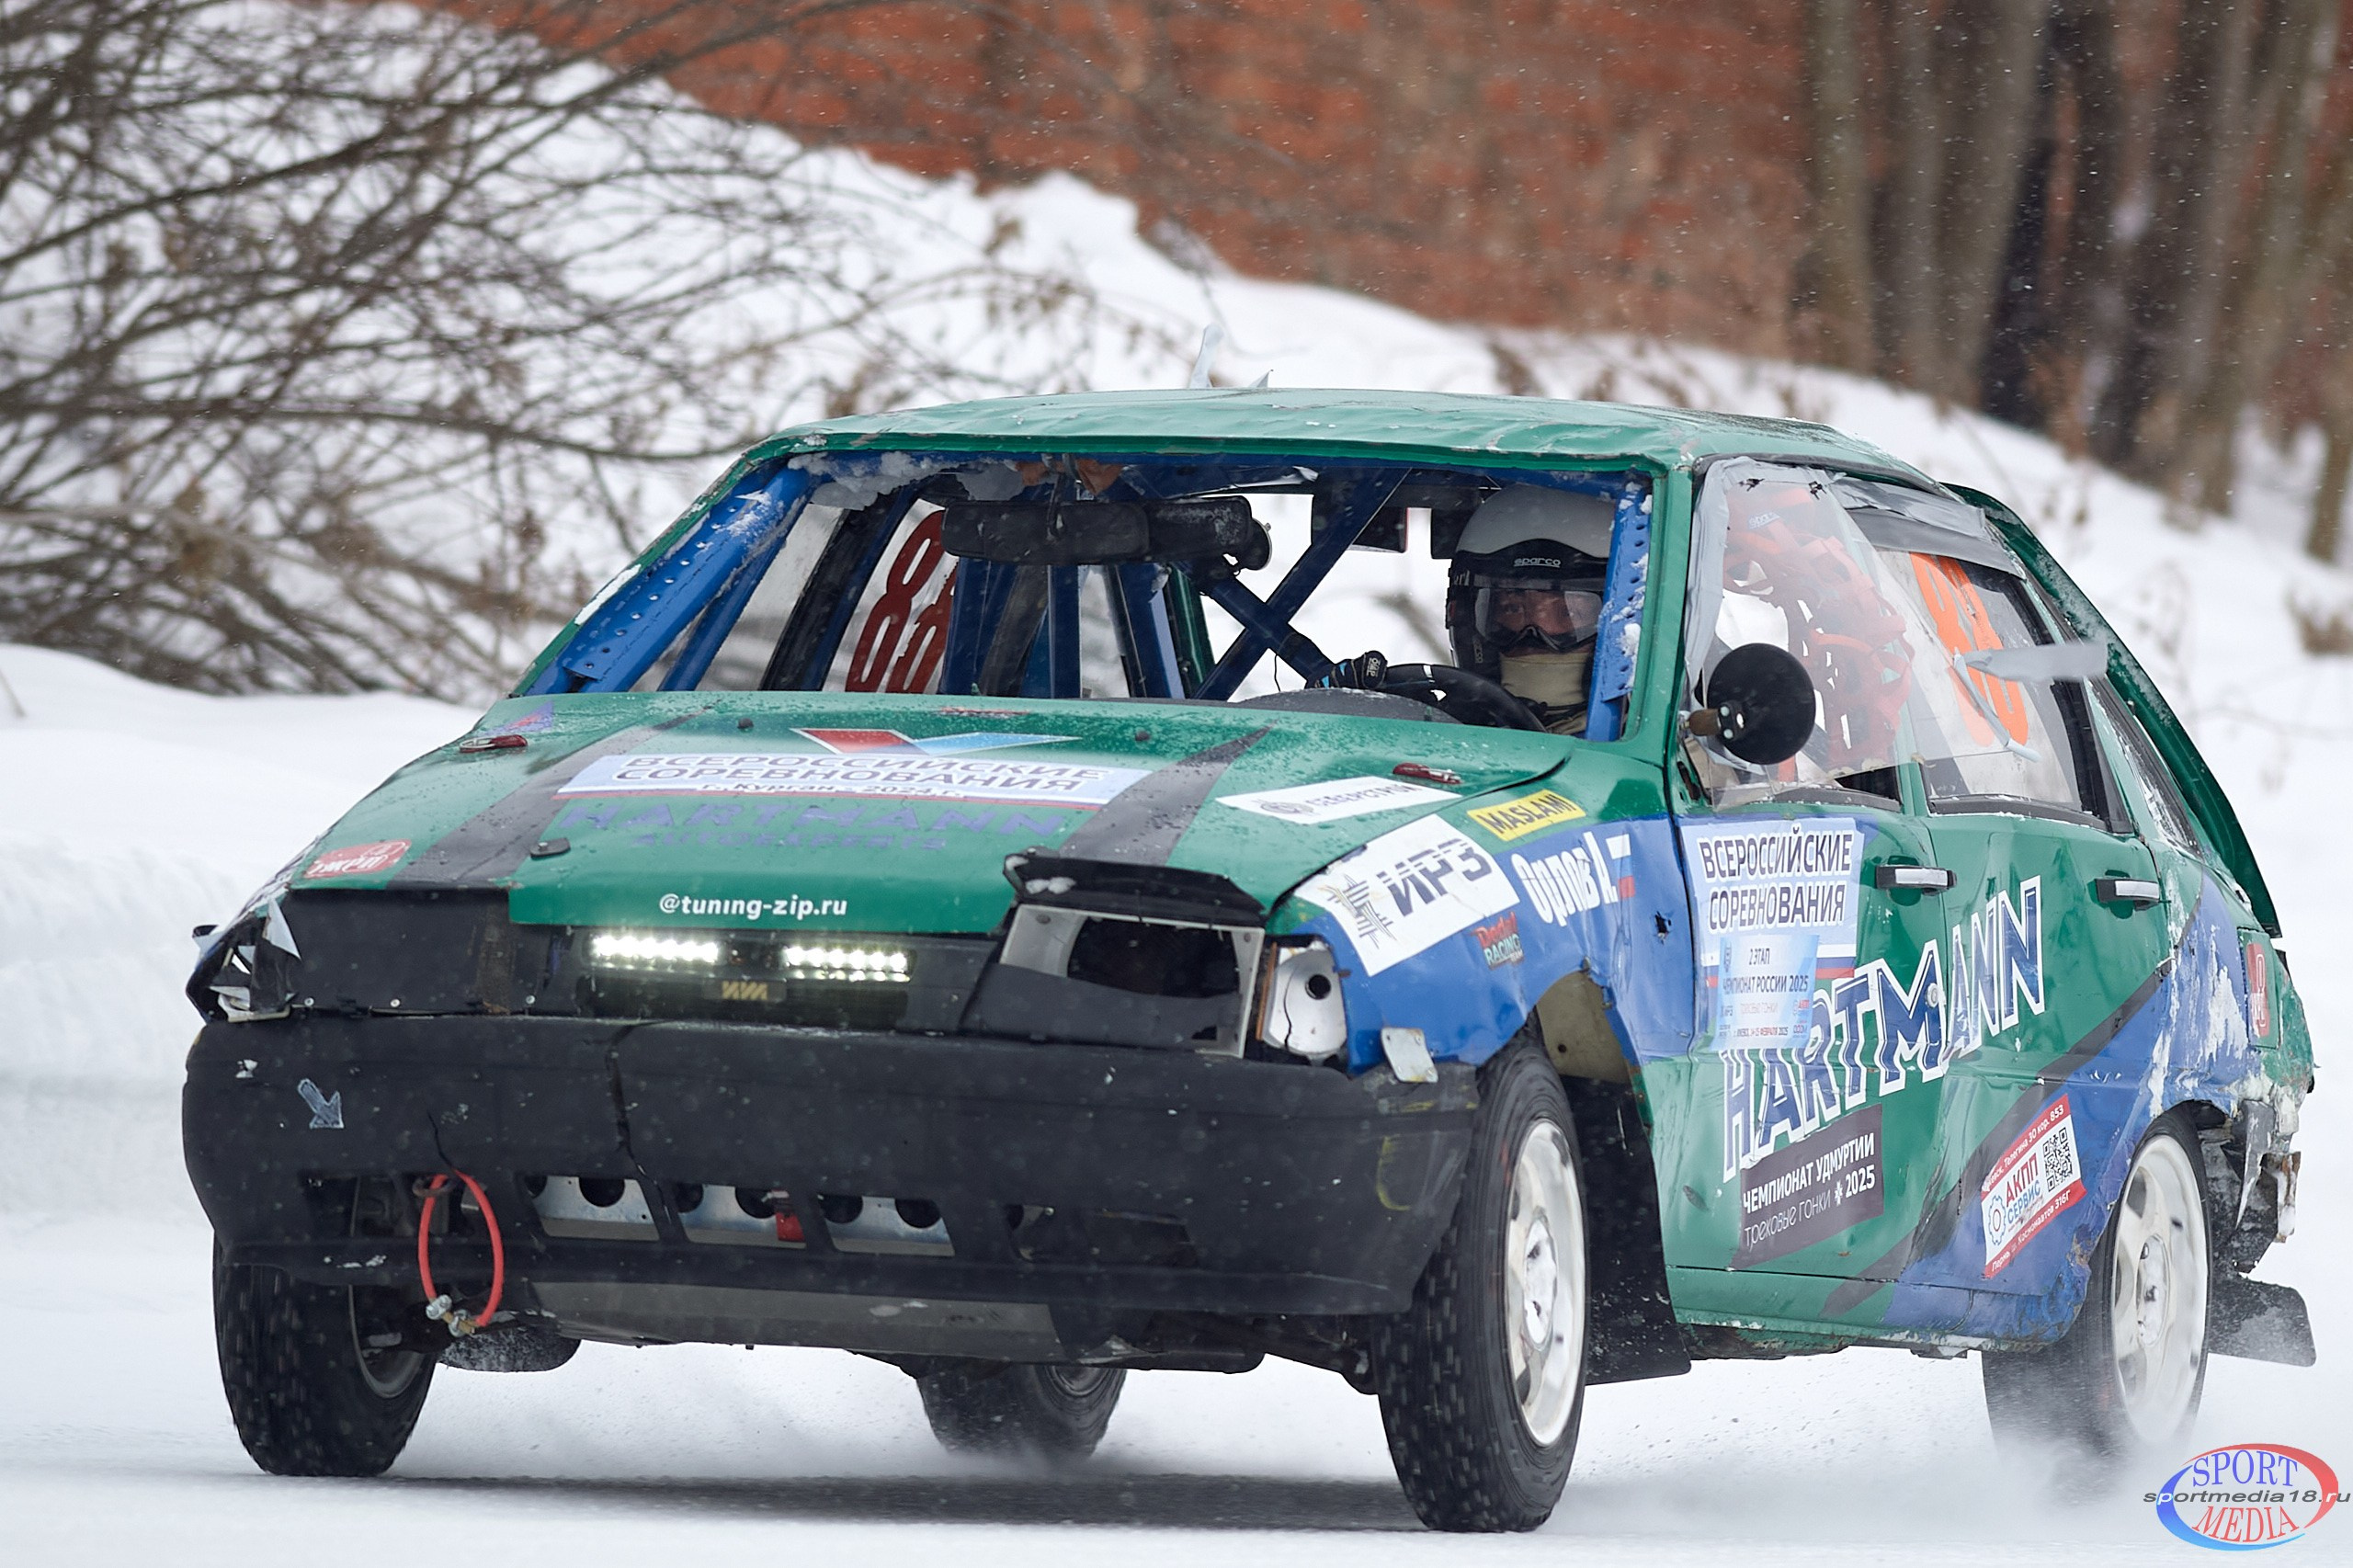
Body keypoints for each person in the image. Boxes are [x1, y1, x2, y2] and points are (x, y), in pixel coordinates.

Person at [1445, 484, 1613, 733]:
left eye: (1569, 613)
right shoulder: (1437, 734)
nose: (1536, 634)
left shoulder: (1665, 755)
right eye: (1512, 609)